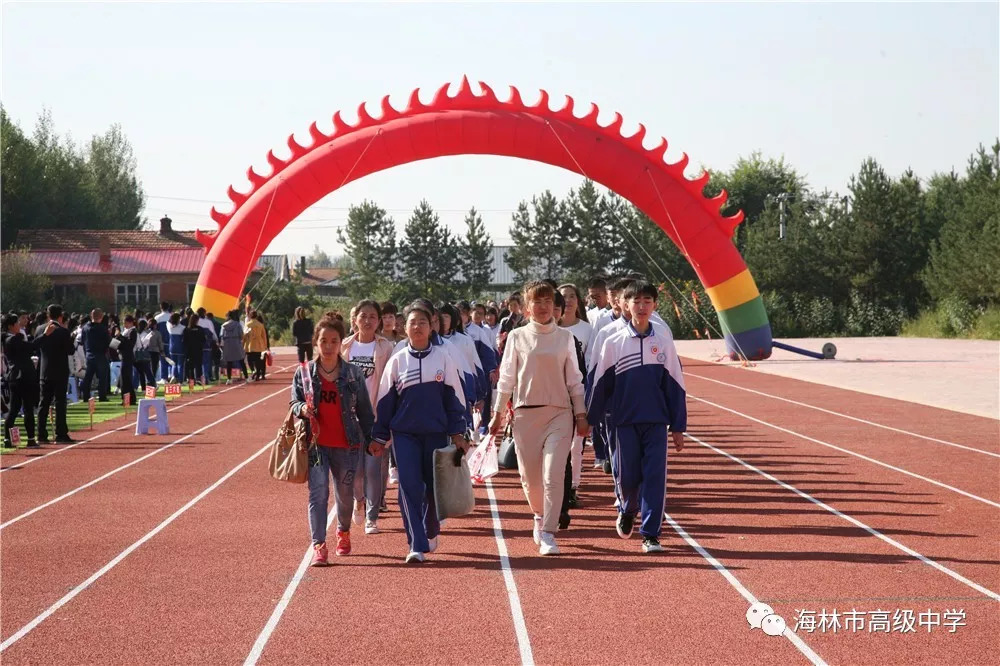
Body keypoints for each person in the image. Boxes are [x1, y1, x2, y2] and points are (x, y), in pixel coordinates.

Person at [488, 281, 588, 556]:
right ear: (527, 306)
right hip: (524, 415)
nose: (543, 307)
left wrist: (580, 414)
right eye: (537, 301)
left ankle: (548, 532)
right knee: (531, 480)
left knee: (553, 475)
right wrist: (497, 414)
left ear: (554, 306)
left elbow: (575, 380)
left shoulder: (566, 338)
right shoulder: (517, 337)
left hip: (559, 414)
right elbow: (506, 378)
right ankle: (538, 515)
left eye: (547, 301)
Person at [587, 281, 687, 553]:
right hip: (623, 421)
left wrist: (678, 426)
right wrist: (589, 419)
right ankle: (628, 509)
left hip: (655, 420)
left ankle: (651, 533)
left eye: (647, 301)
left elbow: (675, 384)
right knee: (627, 476)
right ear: (624, 305)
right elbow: (600, 385)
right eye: (636, 302)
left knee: (655, 476)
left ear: (655, 305)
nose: (642, 307)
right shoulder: (613, 342)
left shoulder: (663, 340)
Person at [372, 303, 468, 564]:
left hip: (436, 434)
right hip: (405, 436)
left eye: (422, 323)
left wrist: (458, 433)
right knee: (410, 486)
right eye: (412, 322)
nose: (417, 327)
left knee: (433, 489)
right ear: (405, 327)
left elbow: (455, 399)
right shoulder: (397, 361)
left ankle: (431, 528)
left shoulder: (443, 358)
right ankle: (416, 543)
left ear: (431, 326)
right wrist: (379, 437)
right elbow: (384, 402)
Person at [290, 314, 375, 567]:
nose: (328, 346)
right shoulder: (304, 374)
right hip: (316, 445)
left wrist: (372, 439)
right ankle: (318, 544)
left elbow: (364, 411)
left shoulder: (352, 374)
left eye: (334, 341)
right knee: (317, 493)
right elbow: (293, 402)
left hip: (347, 444)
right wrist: (301, 409)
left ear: (341, 343)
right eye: (323, 341)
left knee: (344, 494)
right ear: (315, 342)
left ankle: (343, 532)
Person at [341, 300, 395, 534]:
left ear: (379, 320)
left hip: (375, 417)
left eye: (373, 316)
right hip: (349, 417)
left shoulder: (386, 347)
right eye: (363, 316)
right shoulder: (345, 346)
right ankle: (359, 500)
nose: (368, 320)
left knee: (374, 468)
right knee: (356, 471)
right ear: (355, 320)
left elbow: (392, 382)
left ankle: (372, 517)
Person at [3, 313, 41, 447]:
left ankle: (8, 439)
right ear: (10, 326)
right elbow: (31, 347)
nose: (19, 326)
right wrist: (44, 335)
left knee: (14, 409)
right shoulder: (13, 339)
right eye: (17, 323)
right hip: (22, 376)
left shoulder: (9, 339)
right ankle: (30, 438)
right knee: (27, 408)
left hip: (15, 376)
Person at [80, 308, 111, 402]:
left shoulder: (85, 328)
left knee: (88, 377)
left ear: (91, 316)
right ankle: (102, 396)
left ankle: (86, 396)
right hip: (100, 355)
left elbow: (82, 341)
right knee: (102, 377)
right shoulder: (103, 329)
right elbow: (108, 342)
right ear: (101, 317)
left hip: (89, 354)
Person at [220, 310, 247, 383]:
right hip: (236, 342)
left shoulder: (224, 325)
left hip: (227, 343)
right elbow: (241, 335)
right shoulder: (237, 324)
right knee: (241, 360)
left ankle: (229, 379)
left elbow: (221, 335)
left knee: (229, 362)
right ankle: (247, 378)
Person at [116, 314, 138, 405]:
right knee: (125, 379)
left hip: (128, 357)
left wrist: (120, 336)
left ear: (130, 323)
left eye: (126, 323)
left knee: (126, 379)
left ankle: (128, 399)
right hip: (124, 356)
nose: (124, 325)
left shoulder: (133, 331)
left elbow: (129, 344)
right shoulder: (127, 331)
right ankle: (130, 399)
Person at [243, 311, 268, 380]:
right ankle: (257, 374)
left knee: (249, 360)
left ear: (250, 316)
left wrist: (242, 344)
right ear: (256, 316)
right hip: (259, 345)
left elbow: (244, 335)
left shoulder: (248, 325)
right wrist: (265, 345)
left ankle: (253, 370)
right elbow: (264, 336)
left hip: (249, 345)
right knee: (258, 360)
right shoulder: (260, 325)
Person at [182, 314, 205, 384]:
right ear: (197, 320)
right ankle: (198, 378)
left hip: (189, 350)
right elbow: (204, 340)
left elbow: (184, 341)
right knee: (198, 364)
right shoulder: (200, 329)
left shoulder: (186, 329)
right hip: (198, 349)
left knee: (190, 366)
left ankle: (191, 379)